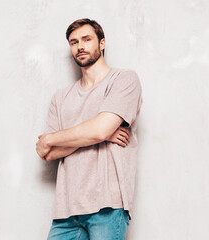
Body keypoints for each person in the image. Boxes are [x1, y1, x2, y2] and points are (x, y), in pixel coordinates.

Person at [36, 18, 142, 240]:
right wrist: (97, 135)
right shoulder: (60, 97)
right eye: (74, 42)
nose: (80, 46)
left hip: (108, 205)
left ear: (102, 43)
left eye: (86, 39)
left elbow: (100, 130)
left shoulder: (123, 79)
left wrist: (53, 138)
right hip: (66, 210)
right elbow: (47, 152)